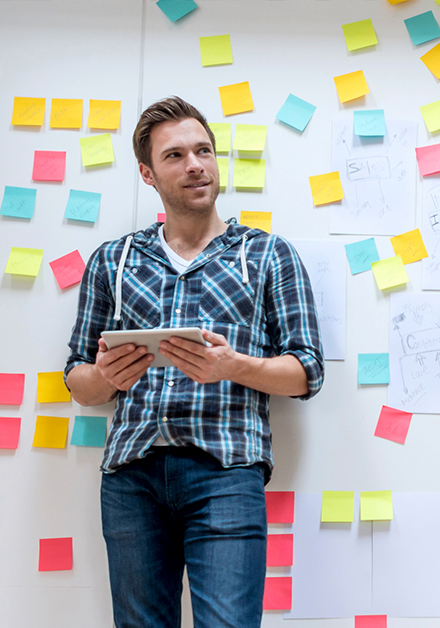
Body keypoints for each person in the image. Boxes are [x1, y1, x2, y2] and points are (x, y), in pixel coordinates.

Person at [63, 96, 324, 628]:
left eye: (203, 151)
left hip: (226, 472)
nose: (195, 165)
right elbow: (77, 381)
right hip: (131, 477)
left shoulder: (268, 255)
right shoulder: (113, 260)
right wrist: (105, 377)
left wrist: (234, 367)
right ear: (148, 173)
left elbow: (307, 372)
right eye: (176, 156)